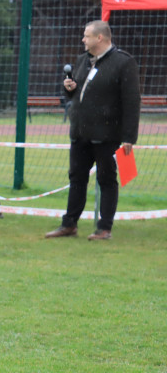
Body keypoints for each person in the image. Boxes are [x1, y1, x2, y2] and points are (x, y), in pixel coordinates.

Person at [45, 20, 140, 241]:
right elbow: (78, 94)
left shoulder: (123, 63)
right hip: (80, 132)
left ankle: (104, 228)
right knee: (77, 178)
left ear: (100, 38)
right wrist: (69, 89)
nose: (82, 40)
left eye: (86, 36)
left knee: (107, 180)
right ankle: (69, 224)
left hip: (108, 135)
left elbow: (132, 102)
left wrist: (129, 137)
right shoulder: (82, 60)